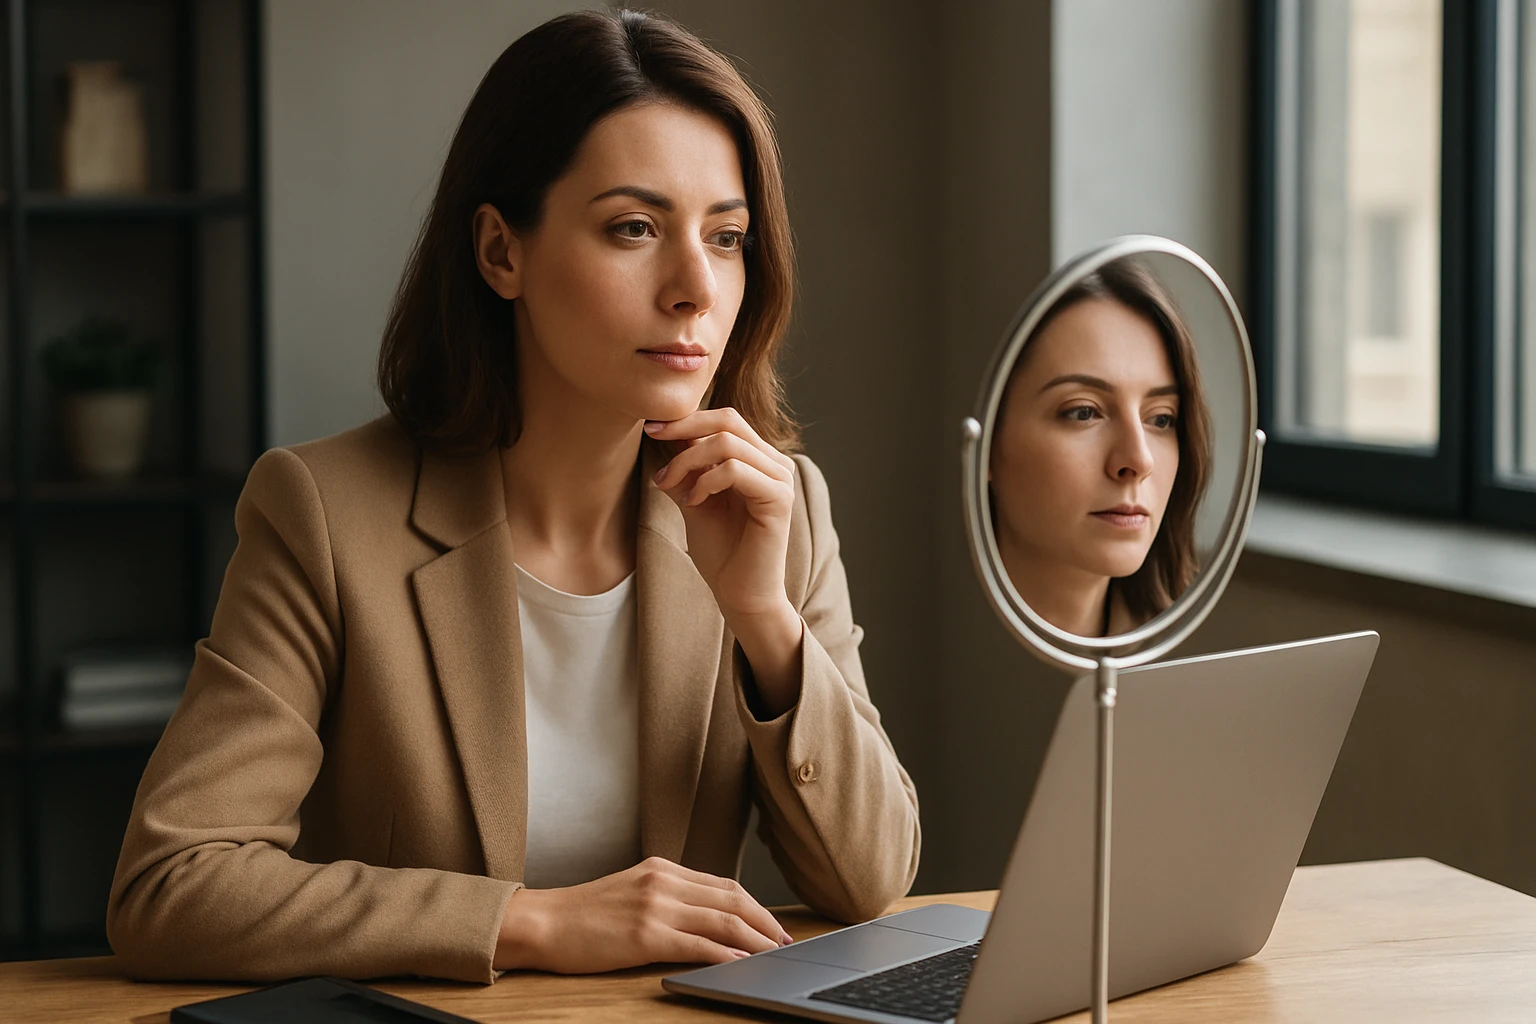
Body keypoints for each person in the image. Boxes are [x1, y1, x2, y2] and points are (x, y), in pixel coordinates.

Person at [106, 8, 919, 984]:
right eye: (634, 228)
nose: (695, 287)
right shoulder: (322, 512)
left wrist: (762, 618)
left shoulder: (773, 507)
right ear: (501, 252)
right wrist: (526, 923)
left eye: (729, 237)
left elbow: (869, 882)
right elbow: (172, 883)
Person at [988, 257, 1212, 638]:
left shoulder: (1186, 668)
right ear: (988, 442)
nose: (1139, 460)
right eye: (1083, 412)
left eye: (1161, 419)